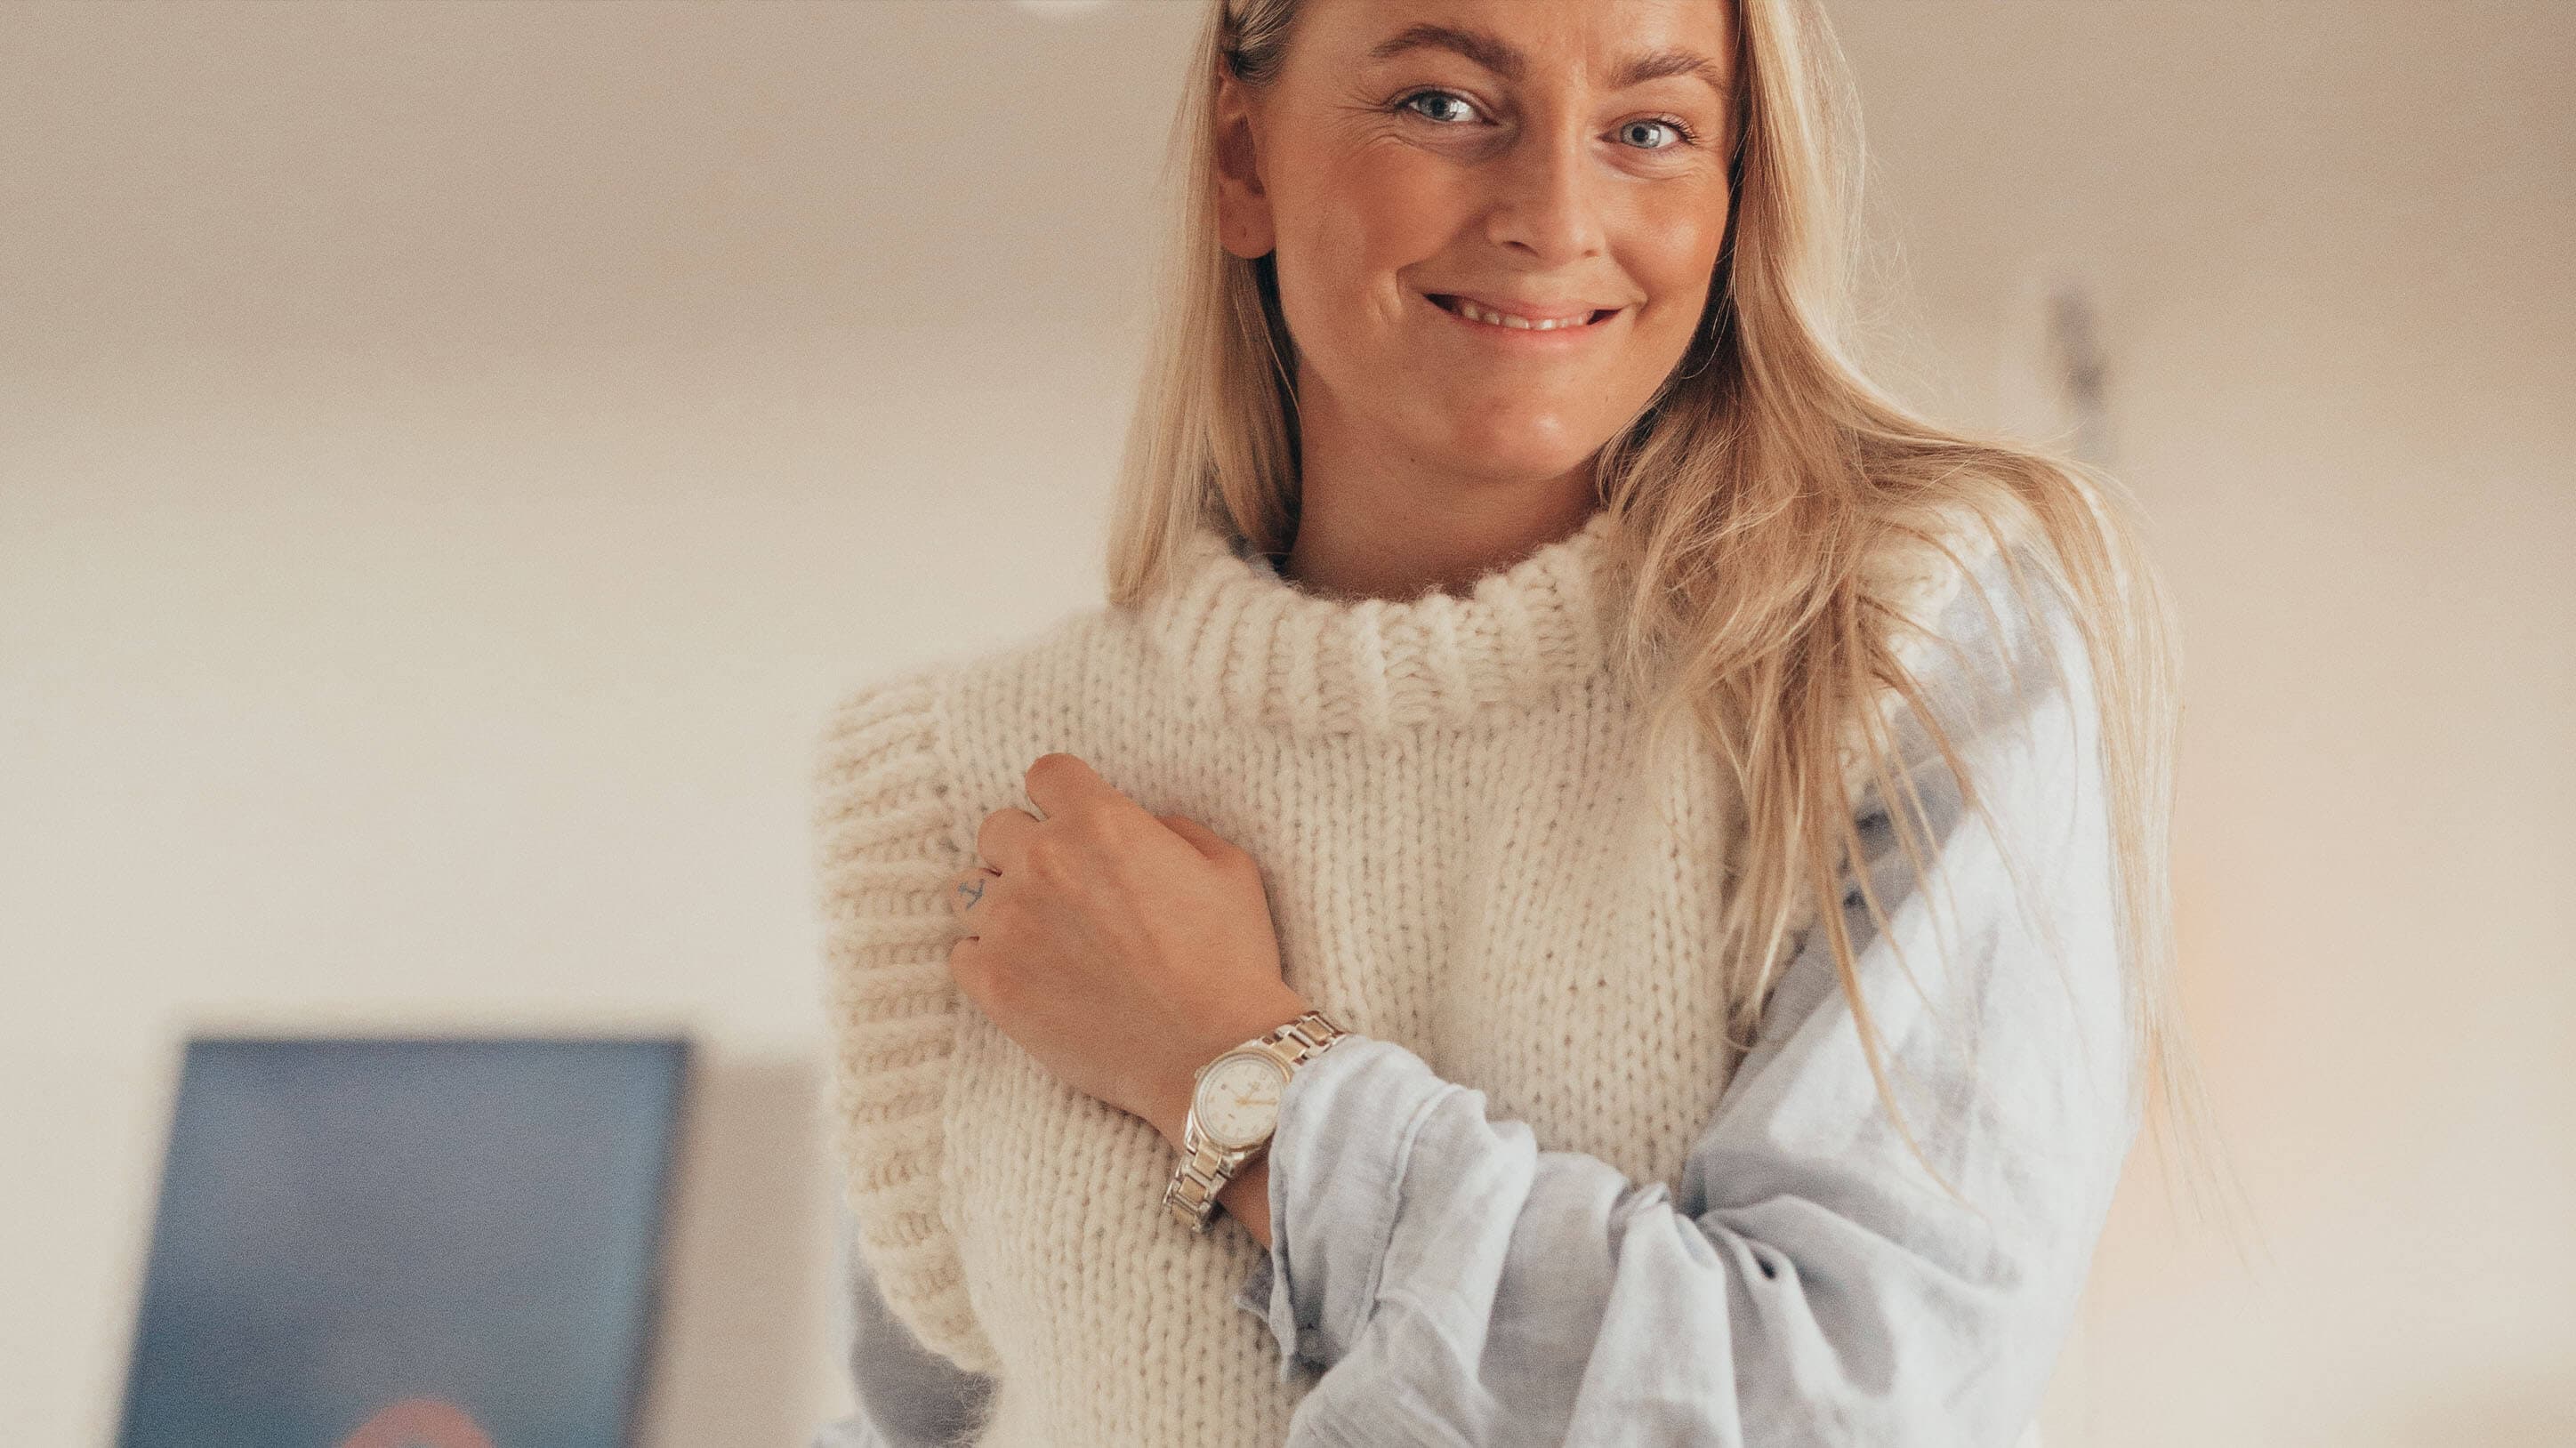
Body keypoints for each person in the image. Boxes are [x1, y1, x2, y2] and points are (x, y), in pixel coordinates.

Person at [808, 1, 2230, 1444]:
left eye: (1652, 129)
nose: (1556, 214)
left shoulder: (1903, 640)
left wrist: (1235, 1074)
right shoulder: (951, 774)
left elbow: (1850, 1407)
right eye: (1442, 104)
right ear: (1243, 162)